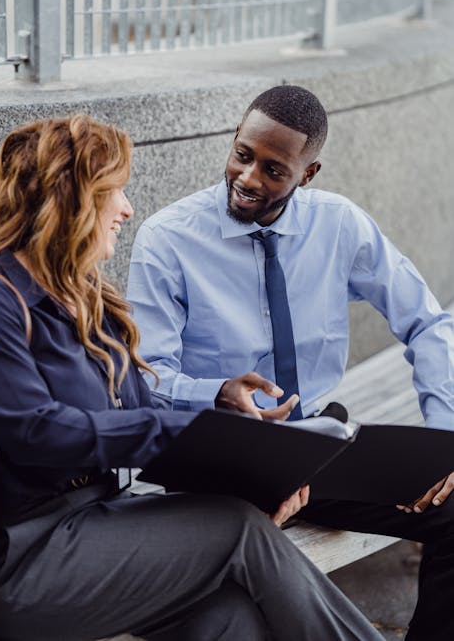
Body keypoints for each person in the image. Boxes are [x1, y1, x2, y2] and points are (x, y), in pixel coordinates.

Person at [0, 115, 385, 641]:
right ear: (72, 198)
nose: (127, 208)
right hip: (22, 557)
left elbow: (145, 411)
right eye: (114, 191)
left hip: (104, 523)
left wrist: (249, 457)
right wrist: (189, 434)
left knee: (231, 621)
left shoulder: (93, 300)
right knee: (238, 530)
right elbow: (35, 430)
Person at [127, 85, 454, 641]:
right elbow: (148, 377)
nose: (249, 177)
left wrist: (443, 444)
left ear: (308, 173)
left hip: (319, 450)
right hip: (226, 460)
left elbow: (427, 321)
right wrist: (218, 392)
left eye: (274, 169)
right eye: (243, 155)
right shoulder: (168, 240)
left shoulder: (339, 225)